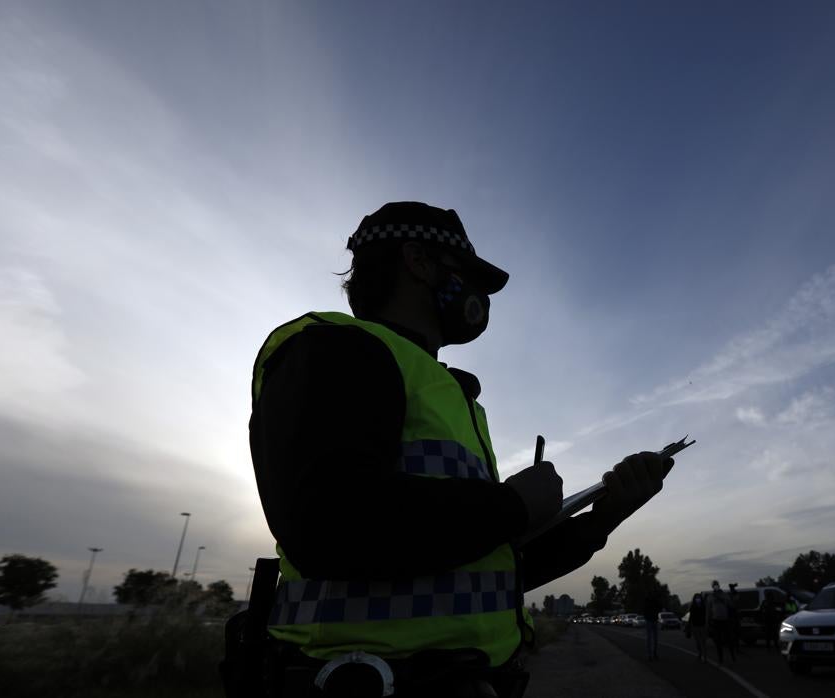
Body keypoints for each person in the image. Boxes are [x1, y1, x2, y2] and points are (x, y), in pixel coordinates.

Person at [247, 201, 673, 697]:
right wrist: (514, 505)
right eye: (467, 275)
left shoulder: (443, 391)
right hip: (362, 682)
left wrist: (603, 517)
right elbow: (328, 521)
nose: (478, 296)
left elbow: (485, 571)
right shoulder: (339, 349)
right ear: (419, 262)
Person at [707, 581, 735, 664]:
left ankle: (732, 656)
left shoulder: (724, 595)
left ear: (718, 586)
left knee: (729, 639)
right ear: (712, 587)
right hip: (715, 621)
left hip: (725, 620)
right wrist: (708, 621)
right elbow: (709, 610)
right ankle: (720, 658)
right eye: (714, 585)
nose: (715, 586)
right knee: (718, 641)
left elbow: (731, 605)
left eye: (716, 585)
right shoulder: (710, 597)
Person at [685, 593, 708, 663]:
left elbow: (706, 615)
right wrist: (688, 625)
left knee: (703, 641)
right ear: (694, 599)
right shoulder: (692, 606)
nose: (698, 599)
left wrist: (707, 623)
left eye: (699, 598)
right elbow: (691, 616)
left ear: (701, 599)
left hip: (702, 625)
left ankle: (704, 656)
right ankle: (700, 653)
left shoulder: (704, 606)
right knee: (698, 642)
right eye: (696, 598)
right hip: (695, 626)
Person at [642, 590, 662, 661]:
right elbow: (644, 609)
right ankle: (651, 654)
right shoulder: (648, 600)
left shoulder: (654, 600)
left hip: (653, 619)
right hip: (650, 619)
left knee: (652, 638)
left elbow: (660, 607)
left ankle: (652, 653)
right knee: (651, 638)